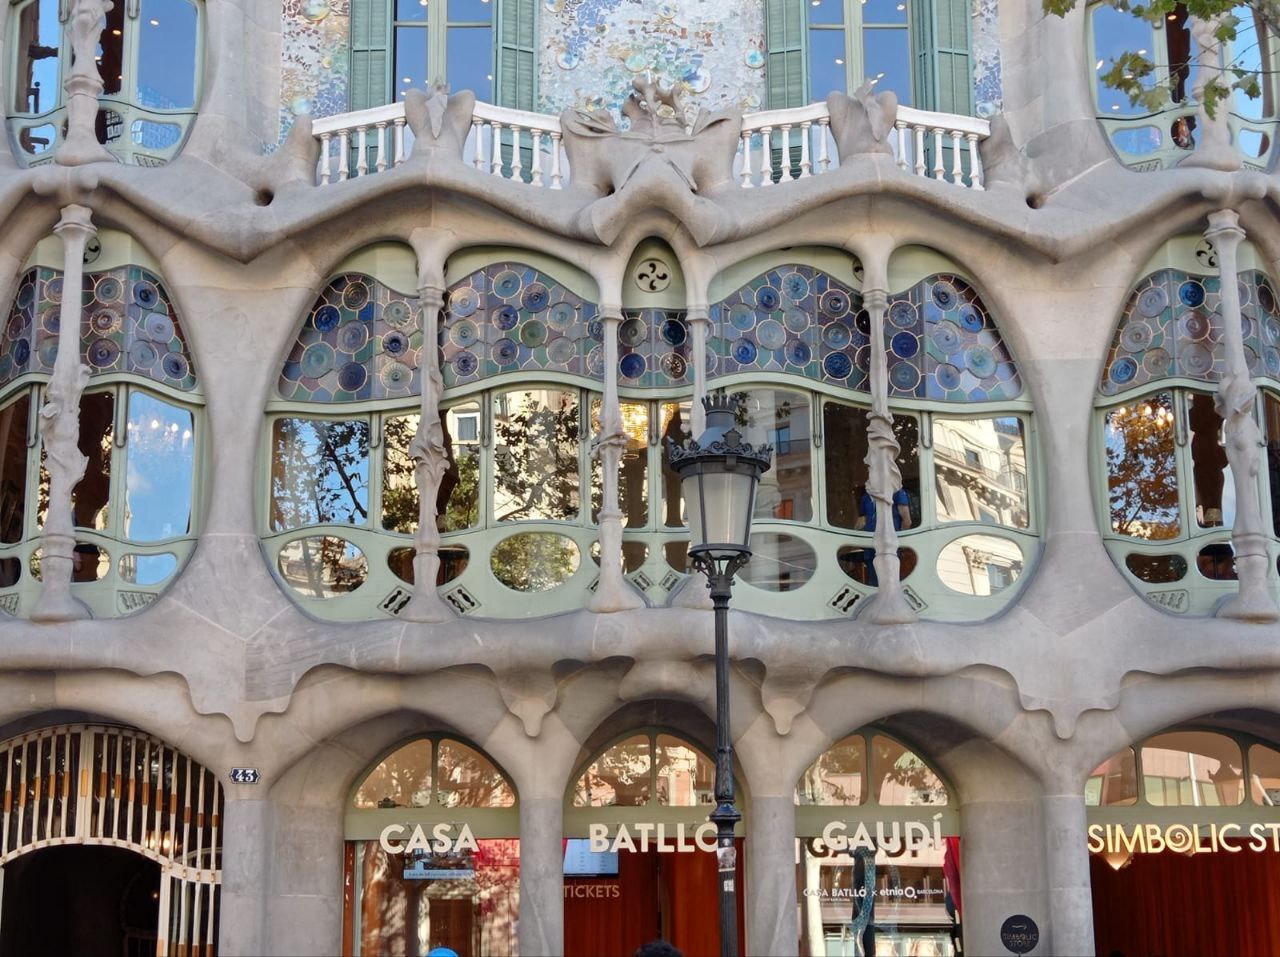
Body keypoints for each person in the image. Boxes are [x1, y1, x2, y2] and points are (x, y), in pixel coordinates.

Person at [854, 485, 913, 586]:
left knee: (889, 583)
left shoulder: (897, 493)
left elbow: (907, 521)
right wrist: (858, 531)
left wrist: (899, 543)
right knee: (874, 584)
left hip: (889, 547)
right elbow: (861, 521)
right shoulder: (866, 497)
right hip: (871, 548)